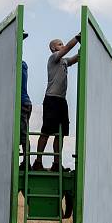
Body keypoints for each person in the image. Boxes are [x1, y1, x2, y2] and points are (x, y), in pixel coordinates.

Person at [32, 34, 80, 172]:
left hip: (61, 101)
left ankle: (56, 163)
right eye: (59, 44)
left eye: (62, 43)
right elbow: (67, 49)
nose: (62, 45)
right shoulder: (53, 58)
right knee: (46, 131)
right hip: (51, 99)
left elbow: (75, 58)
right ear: (53, 48)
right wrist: (77, 38)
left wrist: (84, 48)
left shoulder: (64, 61)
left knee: (61, 133)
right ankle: (38, 161)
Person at [19, 33, 32, 170]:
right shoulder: (24, 65)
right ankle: (25, 161)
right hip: (25, 103)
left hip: (22, 103)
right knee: (23, 132)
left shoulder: (20, 65)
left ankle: (26, 162)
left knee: (22, 133)